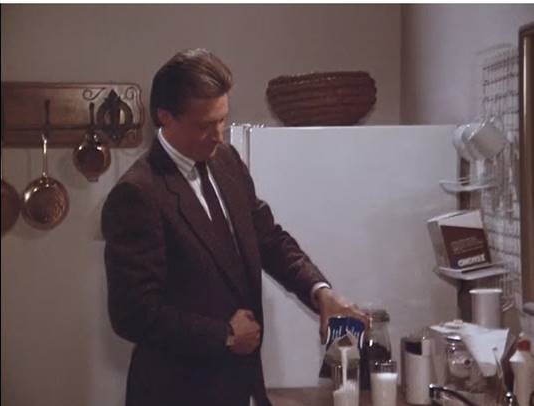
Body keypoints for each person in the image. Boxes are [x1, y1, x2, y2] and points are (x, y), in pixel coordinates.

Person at [101, 48, 368, 406]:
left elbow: (269, 240)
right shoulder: (138, 193)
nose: (218, 135)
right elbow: (132, 313)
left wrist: (320, 291)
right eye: (204, 125)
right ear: (165, 117)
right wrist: (224, 335)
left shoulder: (225, 160)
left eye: (222, 120)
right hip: (175, 392)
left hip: (240, 387)